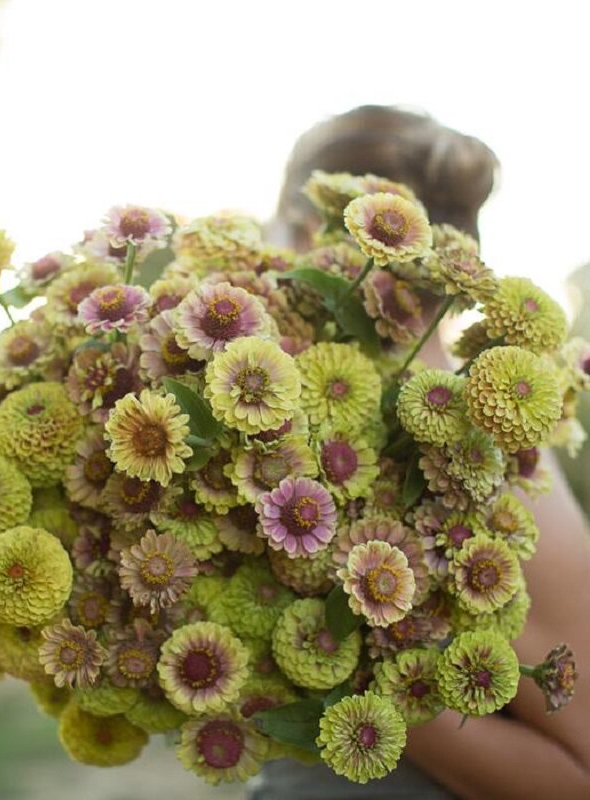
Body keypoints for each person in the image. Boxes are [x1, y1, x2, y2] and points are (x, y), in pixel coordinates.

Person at [250, 106, 590, 800]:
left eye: (273, 230)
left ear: (316, 231)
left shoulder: (493, 456)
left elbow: (579, 775)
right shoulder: (305, 437)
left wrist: (344, 675)